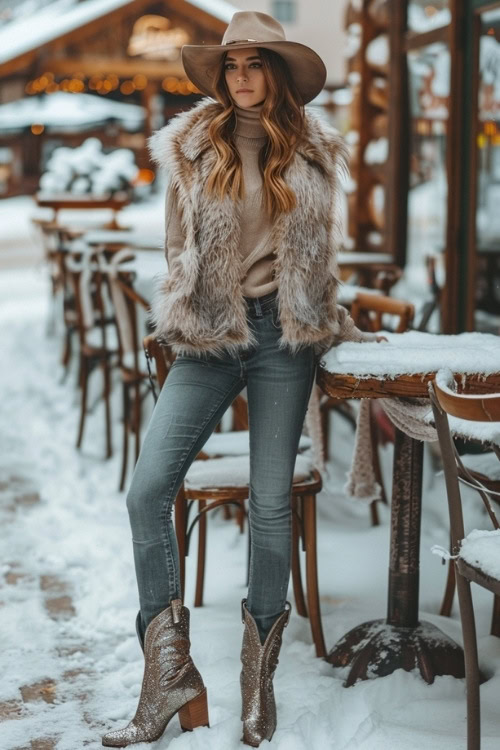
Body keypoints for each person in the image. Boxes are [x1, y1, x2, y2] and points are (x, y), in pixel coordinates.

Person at [102, 11, 379, 749]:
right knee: (147, 490)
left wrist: (330, 315)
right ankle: (169, 677)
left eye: (257, 63)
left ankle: (259, 686)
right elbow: (175, 249)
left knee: (267, 501)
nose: (244, 76)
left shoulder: (317, 154)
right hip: (209, 336)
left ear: (278, 73)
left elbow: (322, 254)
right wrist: (185, 310)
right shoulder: (194, 148)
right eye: (233, 65)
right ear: (221, 76)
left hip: (283, 340)